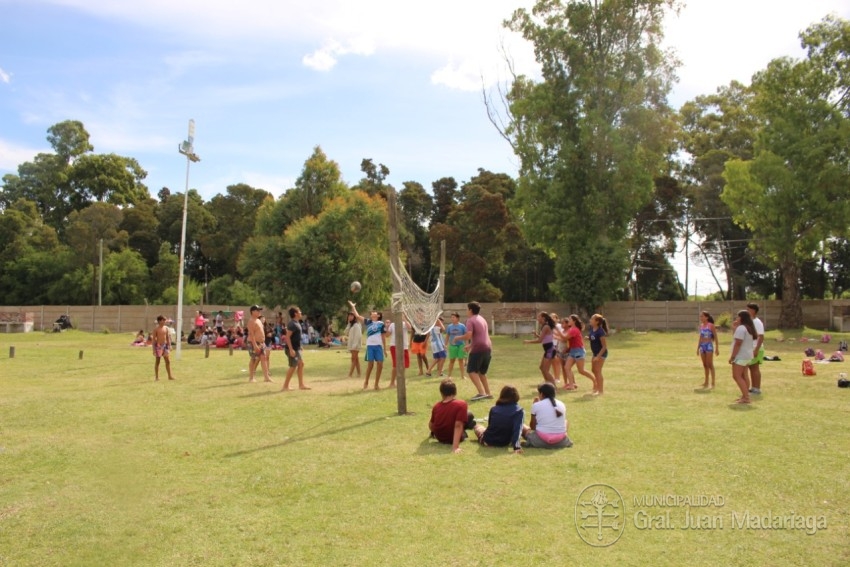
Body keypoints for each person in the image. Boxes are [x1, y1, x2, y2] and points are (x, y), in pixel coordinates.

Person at [453, 302, 492, 401]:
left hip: (478, 349)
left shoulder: (470, 320)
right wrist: (470, 345)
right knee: (481, 372)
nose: (466, 311)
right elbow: (481, 336)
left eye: (467, 309)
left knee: (471, 371)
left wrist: (458, 338)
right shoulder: (482, 319)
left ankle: (481, 393)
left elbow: (468, 335)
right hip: (487, 348)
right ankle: (488, 393)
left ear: (470, 310)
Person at [472, 385, 525, 453]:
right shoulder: (519, 411)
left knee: (477, 426)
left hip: (488, 441)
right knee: (522, 425)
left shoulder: (494, 409)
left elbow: (490, 425)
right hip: (506, 441)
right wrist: (516, 447)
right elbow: (517, 430)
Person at [428, 379, 476, 453]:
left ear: (441, 393)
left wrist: (434, 433)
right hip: (453, 437)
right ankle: (470, 426)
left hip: (440, 437)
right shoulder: (461, 404)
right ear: (455, 392)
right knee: (469, 415)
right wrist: (455, 447)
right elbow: (458, 425)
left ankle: (470, 425)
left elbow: (431, 425)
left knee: (468, 416)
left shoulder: (436, 406)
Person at [348, 301, 388, 389]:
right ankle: (366, 381)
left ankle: (376, 384)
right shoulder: (368, 322)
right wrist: (353, 307)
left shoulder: (381, 324)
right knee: (370, 365)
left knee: (380, 365)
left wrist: (384, 349)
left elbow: (383, 337)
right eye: (372, 313)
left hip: (378, 346)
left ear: (378, 315)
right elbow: (358, 316)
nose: (372, 313)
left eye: (374, 312)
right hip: (370, 346)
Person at [523, 383, 572, 449]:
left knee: (522, 426)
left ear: (541, 394)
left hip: (541, 441)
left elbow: (533, 427)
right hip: (560, 442)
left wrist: (534, 405)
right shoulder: (562, 404)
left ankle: (531, 441)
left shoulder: (536, 405)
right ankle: (562, 438)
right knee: (566, 422)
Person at [729, 310, 758, 404]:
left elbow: (738, 343)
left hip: (741, 356)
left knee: (736, 376)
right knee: (744, 375)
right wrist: (734, 328)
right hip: (747, 355)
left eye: (738, 317)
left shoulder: (741, 328)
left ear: (742, 318)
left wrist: (733, 356)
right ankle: (745, 395)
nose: (736, 318)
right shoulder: (748, 328)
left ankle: (746, 397)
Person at [560, 314, 596, 391]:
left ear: (574, 321)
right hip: (573, 351)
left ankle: (595, 381)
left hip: (579, 351)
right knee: (567, 367)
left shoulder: (574, 330)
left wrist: (556, 331)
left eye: (570, 319)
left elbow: (564, 338)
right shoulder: (571, 329)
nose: (568, 321)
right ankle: (571, 385)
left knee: (581, 371)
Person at [523, 311, 557, 385]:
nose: (537, 319)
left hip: (550, 350)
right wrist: (536, 334)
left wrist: (528, 342)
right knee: (542, 368)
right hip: (548, 350)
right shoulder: (545, 326)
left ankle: (553, 386)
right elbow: (544, 339)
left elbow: (540, 340)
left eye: (539, 317)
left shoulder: (546, 326)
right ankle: (547, 384)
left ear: (543, 318)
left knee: (545, 370)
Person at [282, 306, 310, 391]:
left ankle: (301, 385)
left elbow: (296, 337)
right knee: (293, 366)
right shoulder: (292, 324)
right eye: (299, 311)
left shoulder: (297, 323)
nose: (301, 313)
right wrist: (291, 349)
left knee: (301, 364)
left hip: (296, 348)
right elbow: (287, 337)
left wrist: (299, 346)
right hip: (292, 349)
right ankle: (285, 386)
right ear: (295, 313)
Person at [247, 305, 272, 383]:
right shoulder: (251, 321)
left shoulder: (258, 320)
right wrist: (255, 345)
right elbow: (251, 334)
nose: (259, 312)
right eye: (257, 310)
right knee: (253, 359)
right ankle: (251, 377)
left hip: (261, 343)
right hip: (254, 343)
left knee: (263, 358)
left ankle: (266, 377)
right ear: (253, 312)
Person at [745, 302, 765, 395]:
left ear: (753, 311)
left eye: (748, 309)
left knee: (755, 368)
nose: (747, 311)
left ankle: (757, 388)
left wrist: (756, 349)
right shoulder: (750, 321)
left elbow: (761, 337)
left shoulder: (757, 322)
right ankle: (753, 387)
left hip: (756, 347)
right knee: (751, 368)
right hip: (750, 348)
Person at [386, 317, 412, 387]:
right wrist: (387, 328)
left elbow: (410, 328)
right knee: (396, 365)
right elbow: (387, 335)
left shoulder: (405, 323)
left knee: (404, 365)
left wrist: (405, 319)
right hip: (394, 345)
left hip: (404, 346)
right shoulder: (392, 324)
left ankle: (401, 381)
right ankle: (392, 383)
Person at [588, 313, 609, 396]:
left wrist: (598, 356)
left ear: (597, 322)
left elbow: (604, 346)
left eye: (592, 319)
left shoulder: (600, 331)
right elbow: (593, 337)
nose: (590, 320)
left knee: (598, 371)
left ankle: (600, 391)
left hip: (601, 353)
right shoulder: (592, 329)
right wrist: (588, 338)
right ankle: (597, 387)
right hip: (595, 353)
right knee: (593, 370)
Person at [697, 311, 719, 389]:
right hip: (702, 346)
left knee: (710, 364)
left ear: (707, 317)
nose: (701, 318)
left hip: (709, 345)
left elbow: (715, 337)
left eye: (702, 316)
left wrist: (717, 348)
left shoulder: (711, 326)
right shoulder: (701, 326)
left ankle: (713, 382)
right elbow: (700, 337)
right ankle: (706, 382)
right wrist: (698, 348)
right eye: (700, 316)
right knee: (705, 365)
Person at [445, 312, 467, 380]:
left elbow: (466, 335)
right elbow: (447, 335)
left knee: (461, 360)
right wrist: (445, 344)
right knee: (452, 360)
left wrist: (466, 345)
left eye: (453, 317)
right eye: (451, 317)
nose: (452, 318)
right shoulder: (449, 326)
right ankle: (449, 376)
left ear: (457, 318)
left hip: (461, 345)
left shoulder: (462, 326)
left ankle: (462, 376)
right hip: (452, 345)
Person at [152, 315, 174, 381]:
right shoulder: (156, 329)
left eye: (165, 320)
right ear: (159, 321)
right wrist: (153, 349)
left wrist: (170, 345)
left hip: (165, 346)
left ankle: (170, 376)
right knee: (157, 361)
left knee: (168, 361)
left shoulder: (166, 328)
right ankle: (156, 377)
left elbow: (168, 337)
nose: (165, 321)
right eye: (163, 320)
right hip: (158, 346)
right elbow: (153, 339)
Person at [345, 311, 362, 378]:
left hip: (355, 345)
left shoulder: (357, 325)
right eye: (349, 316)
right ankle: (359, 373)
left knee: (353, 359)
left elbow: (358, 336)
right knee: (356, 359)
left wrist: (354, 345)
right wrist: (348, 324)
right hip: (351, 344)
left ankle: (350, 374)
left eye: (351, 316)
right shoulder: (350, 325)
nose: (350, 317)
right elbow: (346, 332)